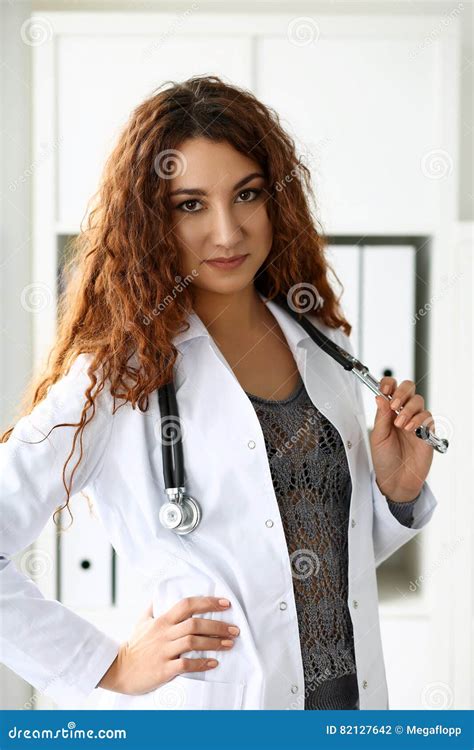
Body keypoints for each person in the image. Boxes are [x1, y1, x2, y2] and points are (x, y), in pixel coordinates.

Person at [0, 75, 438, 711]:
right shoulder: (116, 378)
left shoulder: (318, 340)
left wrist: (395, 495)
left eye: (248, 195)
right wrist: (108, 665)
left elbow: (309, 564)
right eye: (190, 204)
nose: (228, 232)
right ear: (149, 219)